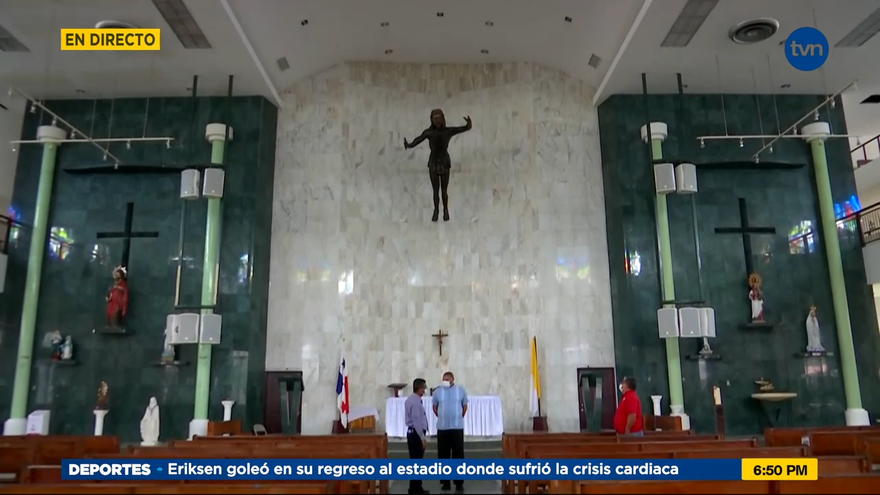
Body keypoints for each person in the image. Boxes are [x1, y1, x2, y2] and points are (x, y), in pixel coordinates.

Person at [403, 109, 473, 222]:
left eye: (439, 118)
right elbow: (418, 140)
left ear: (443, 118)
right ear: (432, 120)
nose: (437, 121)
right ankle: (436, 210)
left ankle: (445, 210)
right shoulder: (429, 133)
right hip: (433, 162)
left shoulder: (447, 131)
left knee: (444, 190)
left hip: (444, 162)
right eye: (435, 118)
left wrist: (468, 125)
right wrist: (409, 145)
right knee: (435, 190)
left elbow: (461, 129)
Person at [432, 371, 467, 493]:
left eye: (447, 379)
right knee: (443, 455)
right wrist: (441, 416)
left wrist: (458, 416)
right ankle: (445, 482)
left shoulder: (460, 390)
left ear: (452, 379)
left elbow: (465, 406)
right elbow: (435, 407)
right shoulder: (438, 392)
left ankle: (459, 483)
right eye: (444, 379)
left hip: (457, 428)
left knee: (458, 455)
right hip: (443, 428)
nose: (445, 381)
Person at [404, 378, 430, 495]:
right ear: (419, 388)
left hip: (414, 433)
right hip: (416, 434)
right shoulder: (415, 402)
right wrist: (422, 438)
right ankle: (416, 488)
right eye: (424, 387)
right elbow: (416, 421)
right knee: (417, 462)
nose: (425, 390)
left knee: (415, 462)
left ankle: (414, 487)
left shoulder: (413, 399)